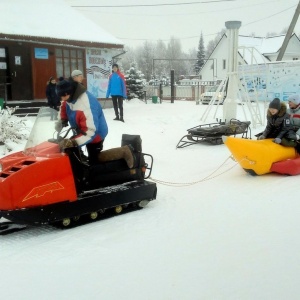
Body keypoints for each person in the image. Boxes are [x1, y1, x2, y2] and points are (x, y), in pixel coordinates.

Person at [55, 79, 108, 164]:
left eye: (62, 96)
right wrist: (63, 119)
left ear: (68, 93)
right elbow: (64, 106)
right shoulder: (69, 97)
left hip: (95, 133)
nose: (62, 99)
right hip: (80, 130)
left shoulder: (86, 104)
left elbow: (91, 131)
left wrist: (74, 142)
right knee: (75, 154)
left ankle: (95, 173)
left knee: (94, 159)